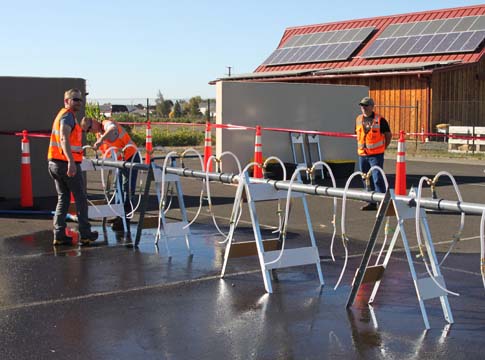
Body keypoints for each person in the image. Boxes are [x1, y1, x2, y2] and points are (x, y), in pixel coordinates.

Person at [48, 89, 98, 245]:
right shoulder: (67, 116)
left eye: (80, 100)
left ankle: (59, 234)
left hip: (55, 163)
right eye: (75, 99)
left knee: (63, 198)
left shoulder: (65, 116)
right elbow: (63, 137)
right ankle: (85, 234)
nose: (78, 102)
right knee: (81, 198)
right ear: (66, 101)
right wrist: (70, 161)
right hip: (65, 164)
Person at [80, 116, 141, 231]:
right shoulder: (99, 134)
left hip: (130, 157)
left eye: (89, 128)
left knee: (126, 188)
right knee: (117, 187)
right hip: (119, 161)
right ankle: (119, 214)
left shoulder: (106, 124)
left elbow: (112, 129)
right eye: (87, 131)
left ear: (93, 121)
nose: (90, 131)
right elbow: (107, 153)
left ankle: (125, 217)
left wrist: (101, 140)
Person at [355, 96, 392, 211]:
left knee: (377, 178)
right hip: (363, 155)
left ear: (371, 106)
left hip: (376, 155)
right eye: (362, 105)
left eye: (366, 105)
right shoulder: (358, 119)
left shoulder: (380, 120)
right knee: (366, 178)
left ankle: (381, 202)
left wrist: (383, 147)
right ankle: (370, 202)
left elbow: (388, 135)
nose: (363, 108)